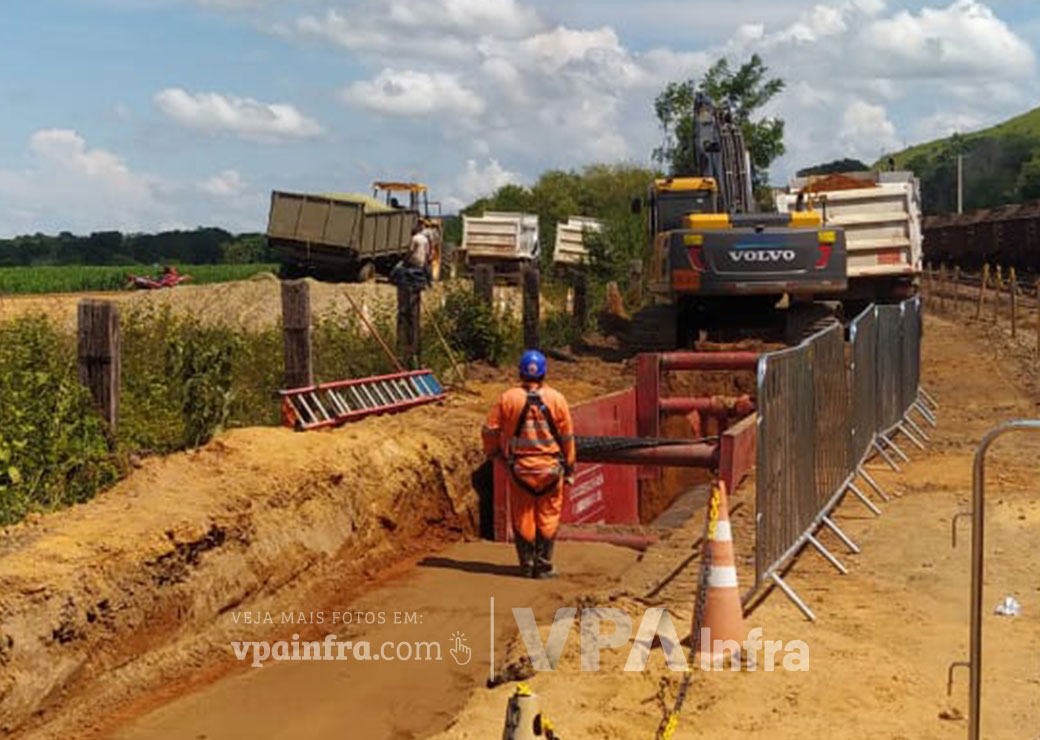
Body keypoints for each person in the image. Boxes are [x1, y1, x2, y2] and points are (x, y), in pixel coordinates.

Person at [482, 350, 576, 578]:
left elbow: (490, 429)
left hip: (520, 471)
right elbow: (567, 438)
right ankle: (543, 566)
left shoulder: (507, 398)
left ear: (520, 372)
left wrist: (494, 453)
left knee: (523, 515)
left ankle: (526, 565)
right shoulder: (557, 399)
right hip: (550, 471)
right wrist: (570, 468)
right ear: (544, 372)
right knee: (548, 516)